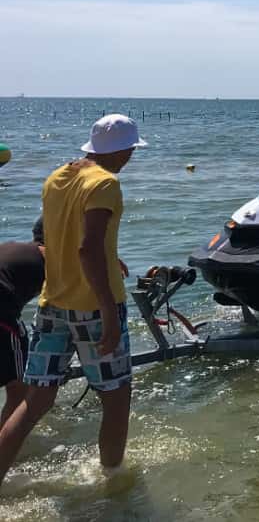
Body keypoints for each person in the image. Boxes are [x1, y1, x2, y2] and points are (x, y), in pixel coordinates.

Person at [0, 114, 146, 486]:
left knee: (34, 402)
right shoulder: (106, 183)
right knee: (116, 399)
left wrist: (110, 256)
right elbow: (87, 247)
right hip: (94, 306)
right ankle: (114, 483)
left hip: (52, 304)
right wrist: (109, 311)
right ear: (121, 150)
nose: (130, 157)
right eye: (130, 150)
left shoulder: (57, 177)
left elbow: (61, 235)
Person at [0, 219, 45, 424]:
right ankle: (6, 442)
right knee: (19, 389)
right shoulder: (49, 256)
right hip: (3, 316)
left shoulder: (13, 247)